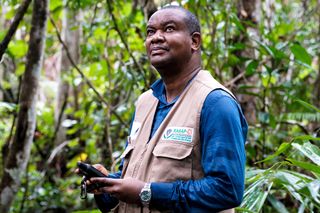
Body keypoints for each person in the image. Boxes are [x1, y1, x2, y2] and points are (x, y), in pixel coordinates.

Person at [87, 5, 248, 213]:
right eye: (150, 32)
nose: (156, 38)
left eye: (169, 29)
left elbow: (227, 190)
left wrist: (146, 193)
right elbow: (135, 177)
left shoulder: (216, 103)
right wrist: (107, 183)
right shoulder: (145, 102)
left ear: (194, 41)